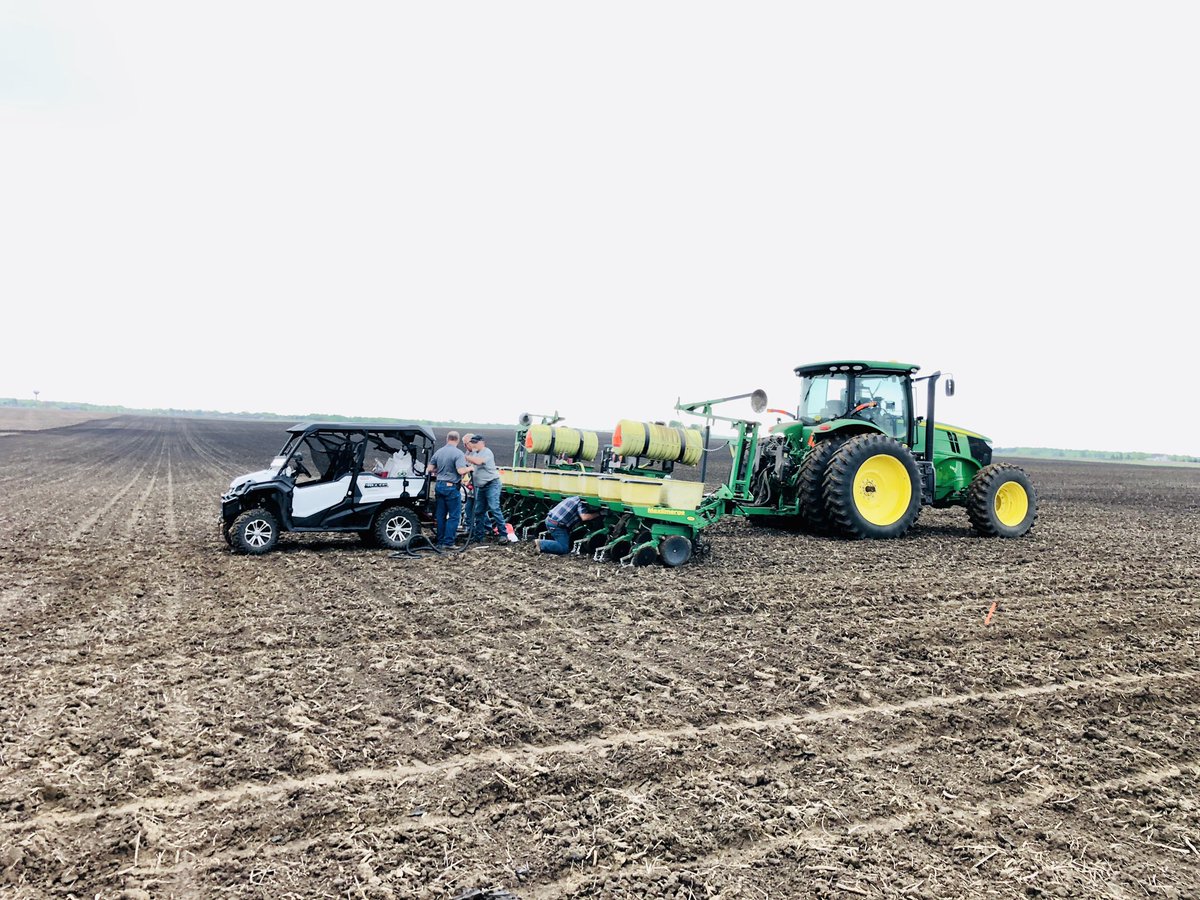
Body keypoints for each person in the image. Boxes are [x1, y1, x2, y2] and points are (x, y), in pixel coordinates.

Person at [464, 434, 518, 543]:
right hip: (480, 487)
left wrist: (465, 457)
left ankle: (503, 535)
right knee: (479, 511)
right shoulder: (473, 453)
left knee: (494, 508)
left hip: (492, 484)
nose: (473, 445)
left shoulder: (487, 452)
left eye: (475, 443)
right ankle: (479, 536)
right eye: (472, 443)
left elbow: (479, 462)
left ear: (482, 443)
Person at [428, 431, 471, 548]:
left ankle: (440, 541)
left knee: (441, 515)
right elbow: (461, 471)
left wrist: (441, 471)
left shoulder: (439, 452)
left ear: (447, 439)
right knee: (454, 516)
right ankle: (448, 542)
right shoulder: (458, 453)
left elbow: (430, 468)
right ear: (458, 440)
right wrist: (471, 468)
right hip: (451, 487)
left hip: (439, 486)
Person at [537, 495, 604, 554]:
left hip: (550, 520)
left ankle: (544, 544)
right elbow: (584, 517)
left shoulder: (574, 498)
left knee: (564, 541)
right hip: (556, 525)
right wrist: (600, 513)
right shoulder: (581, 502)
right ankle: (541, 544)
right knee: (564, 548)